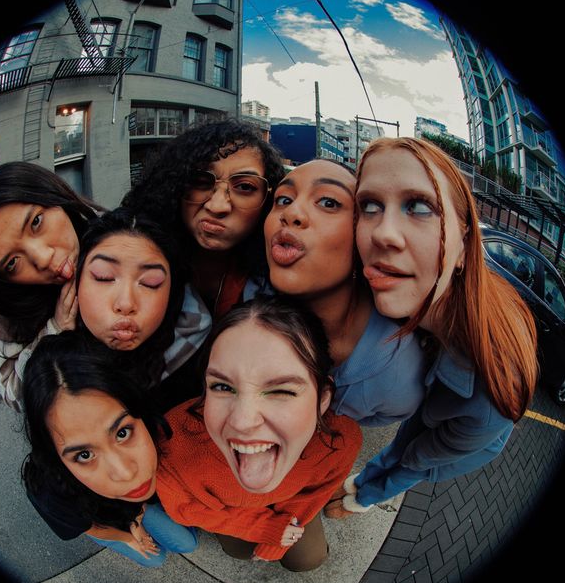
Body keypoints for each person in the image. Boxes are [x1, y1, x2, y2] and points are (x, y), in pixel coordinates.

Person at [326, 137, 538, 516]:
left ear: (464, 246)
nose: (382, 233)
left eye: (420, 207)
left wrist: (363, 497)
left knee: (410, 458)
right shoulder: (404, 293)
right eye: (369, 206)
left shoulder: (490, 396)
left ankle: (362, 497)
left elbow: (416, 463)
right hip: (434, 406)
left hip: (462, 442)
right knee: (404, 442)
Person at [156, 296, 362, 572]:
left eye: (281, 390)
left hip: (289, 511)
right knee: (238, 551)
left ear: (323, 399)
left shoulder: (340, 441)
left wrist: (275, 540)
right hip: (231, 517)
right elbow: (185, 507)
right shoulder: (174, 442)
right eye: (222, 387)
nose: (242, 422)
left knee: (308, 560)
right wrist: (259, 528)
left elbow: (312, 496)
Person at [263, 158, 426, 427]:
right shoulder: (243, 303)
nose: (292, 213)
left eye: (328, 202)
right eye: (283, 199)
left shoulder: (398, 375)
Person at [21, 330, 197, 567]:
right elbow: (89, 528)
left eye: (122, 432)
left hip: (134, 507)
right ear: (55, 456)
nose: (125, 473)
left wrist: (139, 515)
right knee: (155, 559)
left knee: (188, 544)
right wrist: (128, 537)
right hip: (104, 522)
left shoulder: (159, 420)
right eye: (84, 455)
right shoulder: (51, 493)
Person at [0, 161, 101, 411]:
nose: (44, 258)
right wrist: (54, 332)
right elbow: (11, 390)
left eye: (36, 222)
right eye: (13, 263)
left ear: (53, 195)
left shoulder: (112, 233)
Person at [123, 118, 285, 316]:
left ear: (268, 199)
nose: (217, 206)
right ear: (175, 186)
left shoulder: (282, 287)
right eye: (201, 181)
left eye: (245, 187)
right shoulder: (127, 257)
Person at [75, 207, 211, 410]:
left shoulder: (200, 364)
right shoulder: (40, 339)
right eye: (104, 277)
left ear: (172, 295)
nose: (126, 304)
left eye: (150, 283)